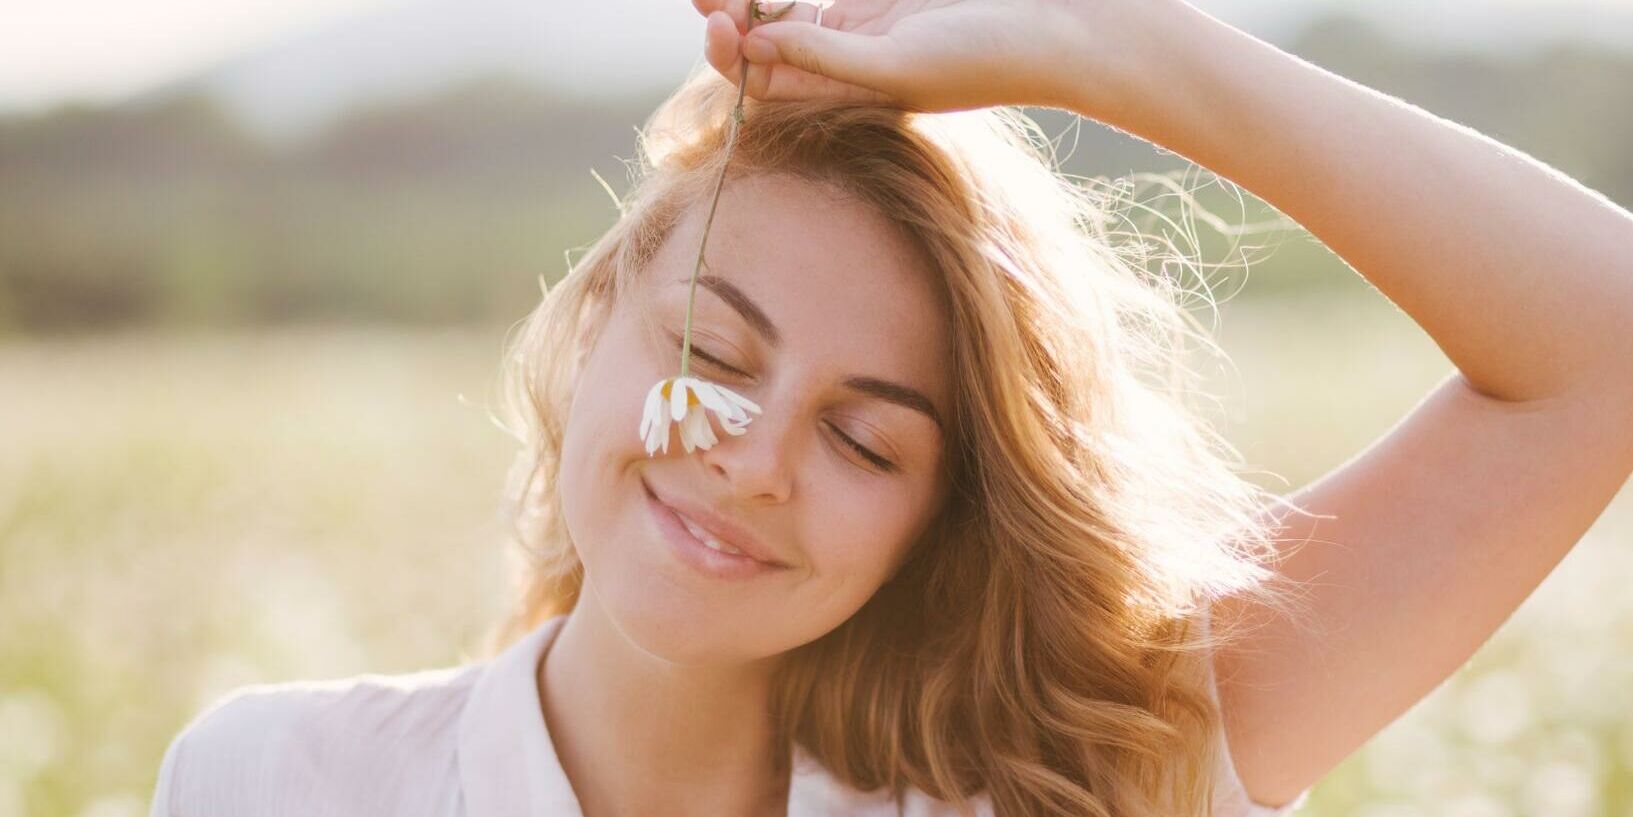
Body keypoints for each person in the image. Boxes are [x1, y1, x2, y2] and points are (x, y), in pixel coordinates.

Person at [148, 1, 1633, 815]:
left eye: (865, 437)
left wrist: (1095, 38)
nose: (749, 459)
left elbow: (1605, 338)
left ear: (938, 514)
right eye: (713, 355)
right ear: (594, 325)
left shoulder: (1065, 787)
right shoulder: (274, 781)